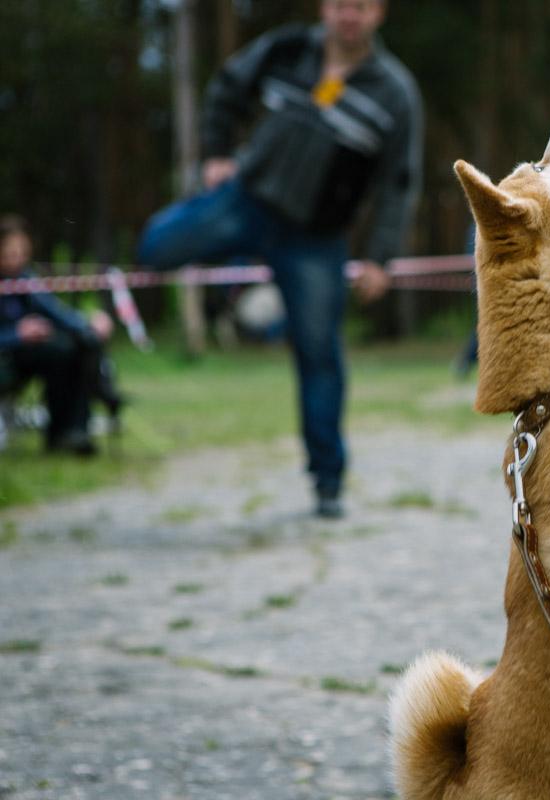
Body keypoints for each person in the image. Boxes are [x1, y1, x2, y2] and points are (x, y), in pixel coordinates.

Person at [136, 0, 423, 519]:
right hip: (246, 200)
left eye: (360, 6)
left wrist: (380, 257)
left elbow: (399, 184)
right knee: (154, 248)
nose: (348, 15)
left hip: (315, 239)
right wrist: (218, 151)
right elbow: (226, 87)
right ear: (325, 8)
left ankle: (328, 482)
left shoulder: (396, 92)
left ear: (379, 12)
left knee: (320, 356)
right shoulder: (285, 49)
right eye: (340, 5)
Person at [0, 215, 120, 456]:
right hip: (7, 356)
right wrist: (17, 334)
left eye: (22, 251)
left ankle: (74, 432)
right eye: (10, 252)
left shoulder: (26, 278)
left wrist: (89, 323)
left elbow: (56, 312)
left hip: (36, 352)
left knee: (82, 343)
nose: (17, 258)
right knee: (60, 352)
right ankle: (92, 400)